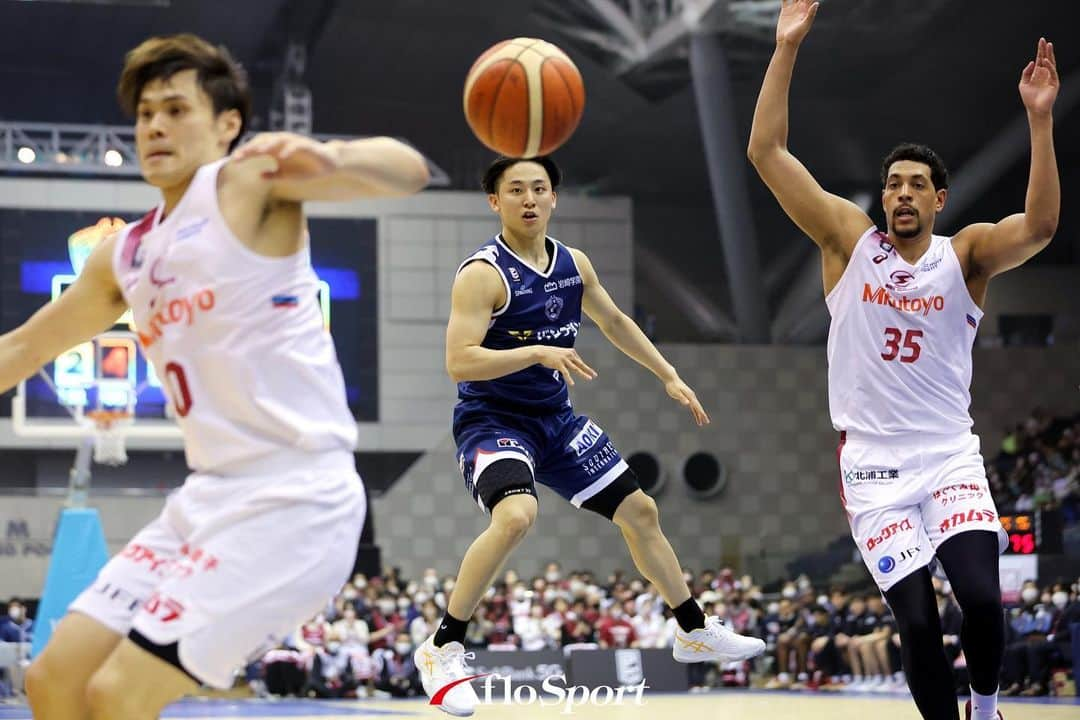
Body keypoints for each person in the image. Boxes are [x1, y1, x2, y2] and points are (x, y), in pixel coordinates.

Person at [5, 34, 428, 719]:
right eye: (145, 114)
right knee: (53, 680)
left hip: (297, 499)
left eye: (176, 109)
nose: (155, 127)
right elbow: (23, 349)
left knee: (116, 695)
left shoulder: (246, 184)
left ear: (228, 123)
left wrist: (327, 158)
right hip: (205, 501)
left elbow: (406, 171)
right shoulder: (124, 254)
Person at [747, 3, 1060, 719]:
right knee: (917, 623)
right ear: (882, 199)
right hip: (874, 470)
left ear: (939, 199)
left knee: (981, 598)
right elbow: (767, 154)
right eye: (893, 183)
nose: (902, 192)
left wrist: (1039, 121)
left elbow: (1040, 227)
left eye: (917, 183)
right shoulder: (847, 244)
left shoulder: (968, 255)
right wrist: (787, 47)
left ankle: (986, 709)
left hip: (948, 454)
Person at [414, 155, 765, 715]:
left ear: (554, 197)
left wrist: (668, 374)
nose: (529, 199)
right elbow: (459, 362)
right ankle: (443, 645)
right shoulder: (482, 273)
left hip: (556, 420)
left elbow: (617, 322)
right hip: (493, 421)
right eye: (516, 190)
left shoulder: (573, 265)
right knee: (516, 516)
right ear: (494, 202)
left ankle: (692, 629)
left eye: (540, 188)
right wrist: (535, 350)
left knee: (642, 511)